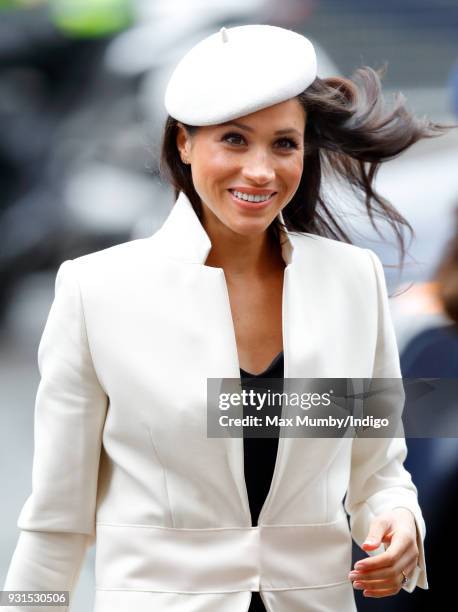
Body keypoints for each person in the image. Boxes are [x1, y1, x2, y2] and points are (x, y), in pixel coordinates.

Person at [3, 24, 452, 612]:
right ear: (184, 143)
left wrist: (399, 521)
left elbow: (378, 470)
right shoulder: (98, 292)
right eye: (235, 140)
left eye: (283, 144)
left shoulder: (351, 281)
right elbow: (57, 521)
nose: (262, 171)